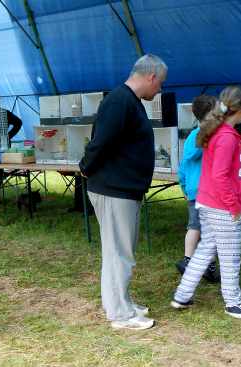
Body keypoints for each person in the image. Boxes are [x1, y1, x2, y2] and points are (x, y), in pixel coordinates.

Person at [171, 86, 241, 319]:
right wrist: (233, 207)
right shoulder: (226, 136)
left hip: (207, 203)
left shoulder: (223, 133)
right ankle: (233, 303)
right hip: (221, 207)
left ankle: (182, 295)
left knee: (204, 251)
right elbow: (220, 175)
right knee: (230, 255)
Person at [79, 54, 167, 330]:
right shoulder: (119, 101)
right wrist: (85, 167)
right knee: (119, 252)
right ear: (151, 76)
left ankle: (122, 301)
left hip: (124, 189)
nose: (160, 89)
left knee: (120, 250)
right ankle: (119, 314)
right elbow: (100, 141)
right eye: (160, 83)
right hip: (114, 189)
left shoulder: (130, 101)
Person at [176, 95, 220, 283]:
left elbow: (184, 164)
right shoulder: (206, 136)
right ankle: (198, 263)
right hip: (208, 191)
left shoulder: (191, 137)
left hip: (194, 191)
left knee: (195, 227)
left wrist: (183, 185)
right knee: (210, 230)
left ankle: (194, 261)